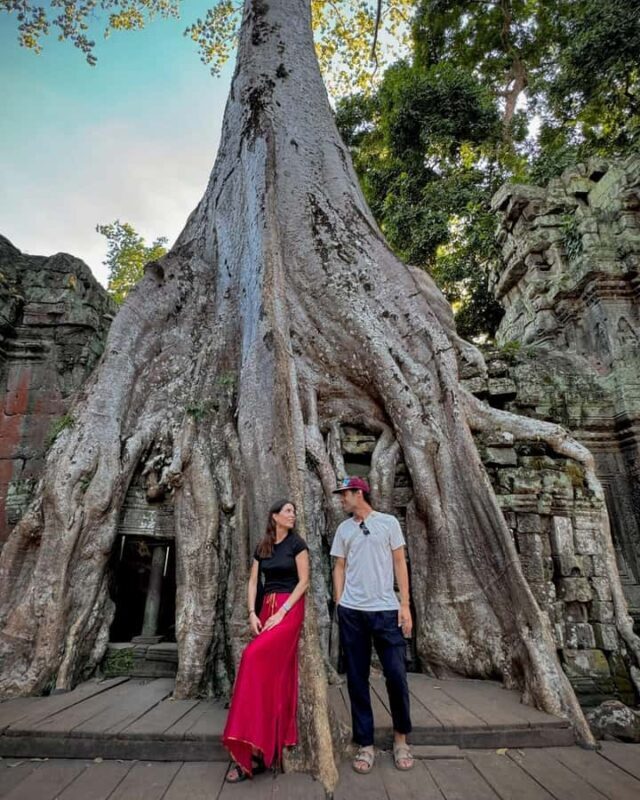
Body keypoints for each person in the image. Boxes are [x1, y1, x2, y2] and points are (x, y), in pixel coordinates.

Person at [222, 499, 309, 783]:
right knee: (263, 676)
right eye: (288, 511)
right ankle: (252, 749)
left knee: (251, 657)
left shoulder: (297, 545)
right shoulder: (263, 546)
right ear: (274, 516)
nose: (292, 515)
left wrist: (282, 613)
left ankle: (254, 744)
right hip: (265, 609)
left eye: (294, 511)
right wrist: (251, 613)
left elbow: (304, 582)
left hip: (289, 609)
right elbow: (252, 581)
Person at [331, 476, 414, 774]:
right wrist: (339, 601)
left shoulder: (388, 523)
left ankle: (401, 738)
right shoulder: (344, 529)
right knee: (356, 678)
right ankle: (365, 743)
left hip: (386, 610)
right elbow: (339, 566)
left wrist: (405, 605)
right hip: (353, 612)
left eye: (345, 494)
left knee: (396, 675)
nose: (342, 499)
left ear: (359, 493)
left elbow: (400, 562)